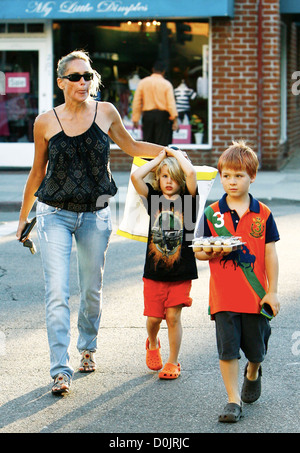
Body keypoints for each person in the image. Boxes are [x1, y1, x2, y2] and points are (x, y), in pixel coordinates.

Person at [16, 50, 167, 395]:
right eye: (75, 77)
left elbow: (130, 146)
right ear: (61, 83)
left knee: (92, 290)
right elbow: (37, 172)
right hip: (53, 212)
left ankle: (87, 346)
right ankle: (60, 369)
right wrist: (23, 217)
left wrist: (169, 151)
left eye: (87, 76)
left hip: (96, 212)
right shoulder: (45, 121)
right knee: (57, 291)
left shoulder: (106, 112)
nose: (83, 82)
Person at [195, 140, 280, 422]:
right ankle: (233, 401)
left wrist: (273, 292)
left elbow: (270, 254)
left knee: (257, 350)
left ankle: (253, 370)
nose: (231, 182)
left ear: (252, 176)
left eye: (239, 175)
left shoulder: (263, 214)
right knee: (227, 349)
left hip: (255, 298)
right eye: (226, 175)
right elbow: (198, 249)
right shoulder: (211, 214)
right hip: (224, 297)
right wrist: (207, 251)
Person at [131, 147, 198, 379]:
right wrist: (160, 159)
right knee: (153, 319)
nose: (169, 181)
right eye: (164, 176)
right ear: (158, 179)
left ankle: (173, 361)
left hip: (181, 272)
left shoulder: (189, 202)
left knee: (173, 317)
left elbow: (191, 175)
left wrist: (177, 155)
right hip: (154, 273)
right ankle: (152, 342)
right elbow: (136, 177)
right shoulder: (154, 200)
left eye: (173, 176)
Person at [131, 61, 178, 146]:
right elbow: (171, 104)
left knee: (147, 144)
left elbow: (137, 102)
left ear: (153, 69)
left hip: (148, 116)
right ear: (164, 71)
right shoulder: (166, 84)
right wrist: (175, 120)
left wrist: (135, 118)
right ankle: (160, 159)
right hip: (162, 117)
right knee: (161, 145)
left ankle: (147, 159)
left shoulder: (143, 82)